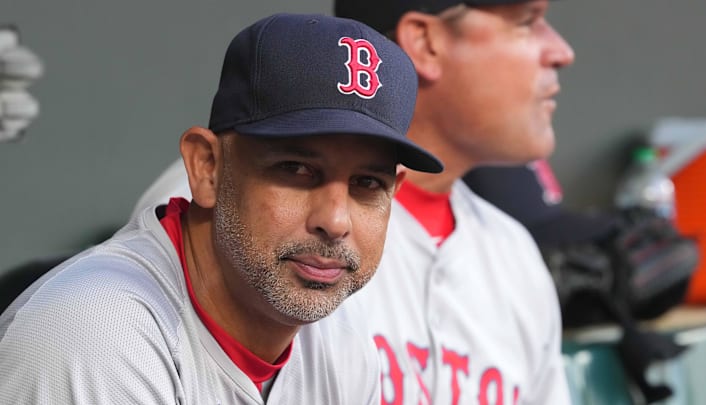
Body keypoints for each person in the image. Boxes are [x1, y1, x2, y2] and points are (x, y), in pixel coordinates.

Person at [129, 0, 575, 402]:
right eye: (526, 22)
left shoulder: (512, 251)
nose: (561, 51)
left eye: (368, 182)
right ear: (425, 41)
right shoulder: (212, 203)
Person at [0, 13, 442, 404]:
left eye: (367, 183)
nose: (335, 220)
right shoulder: (93, 335)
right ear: (207, 167)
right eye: (296, 169)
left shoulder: (340, 343)